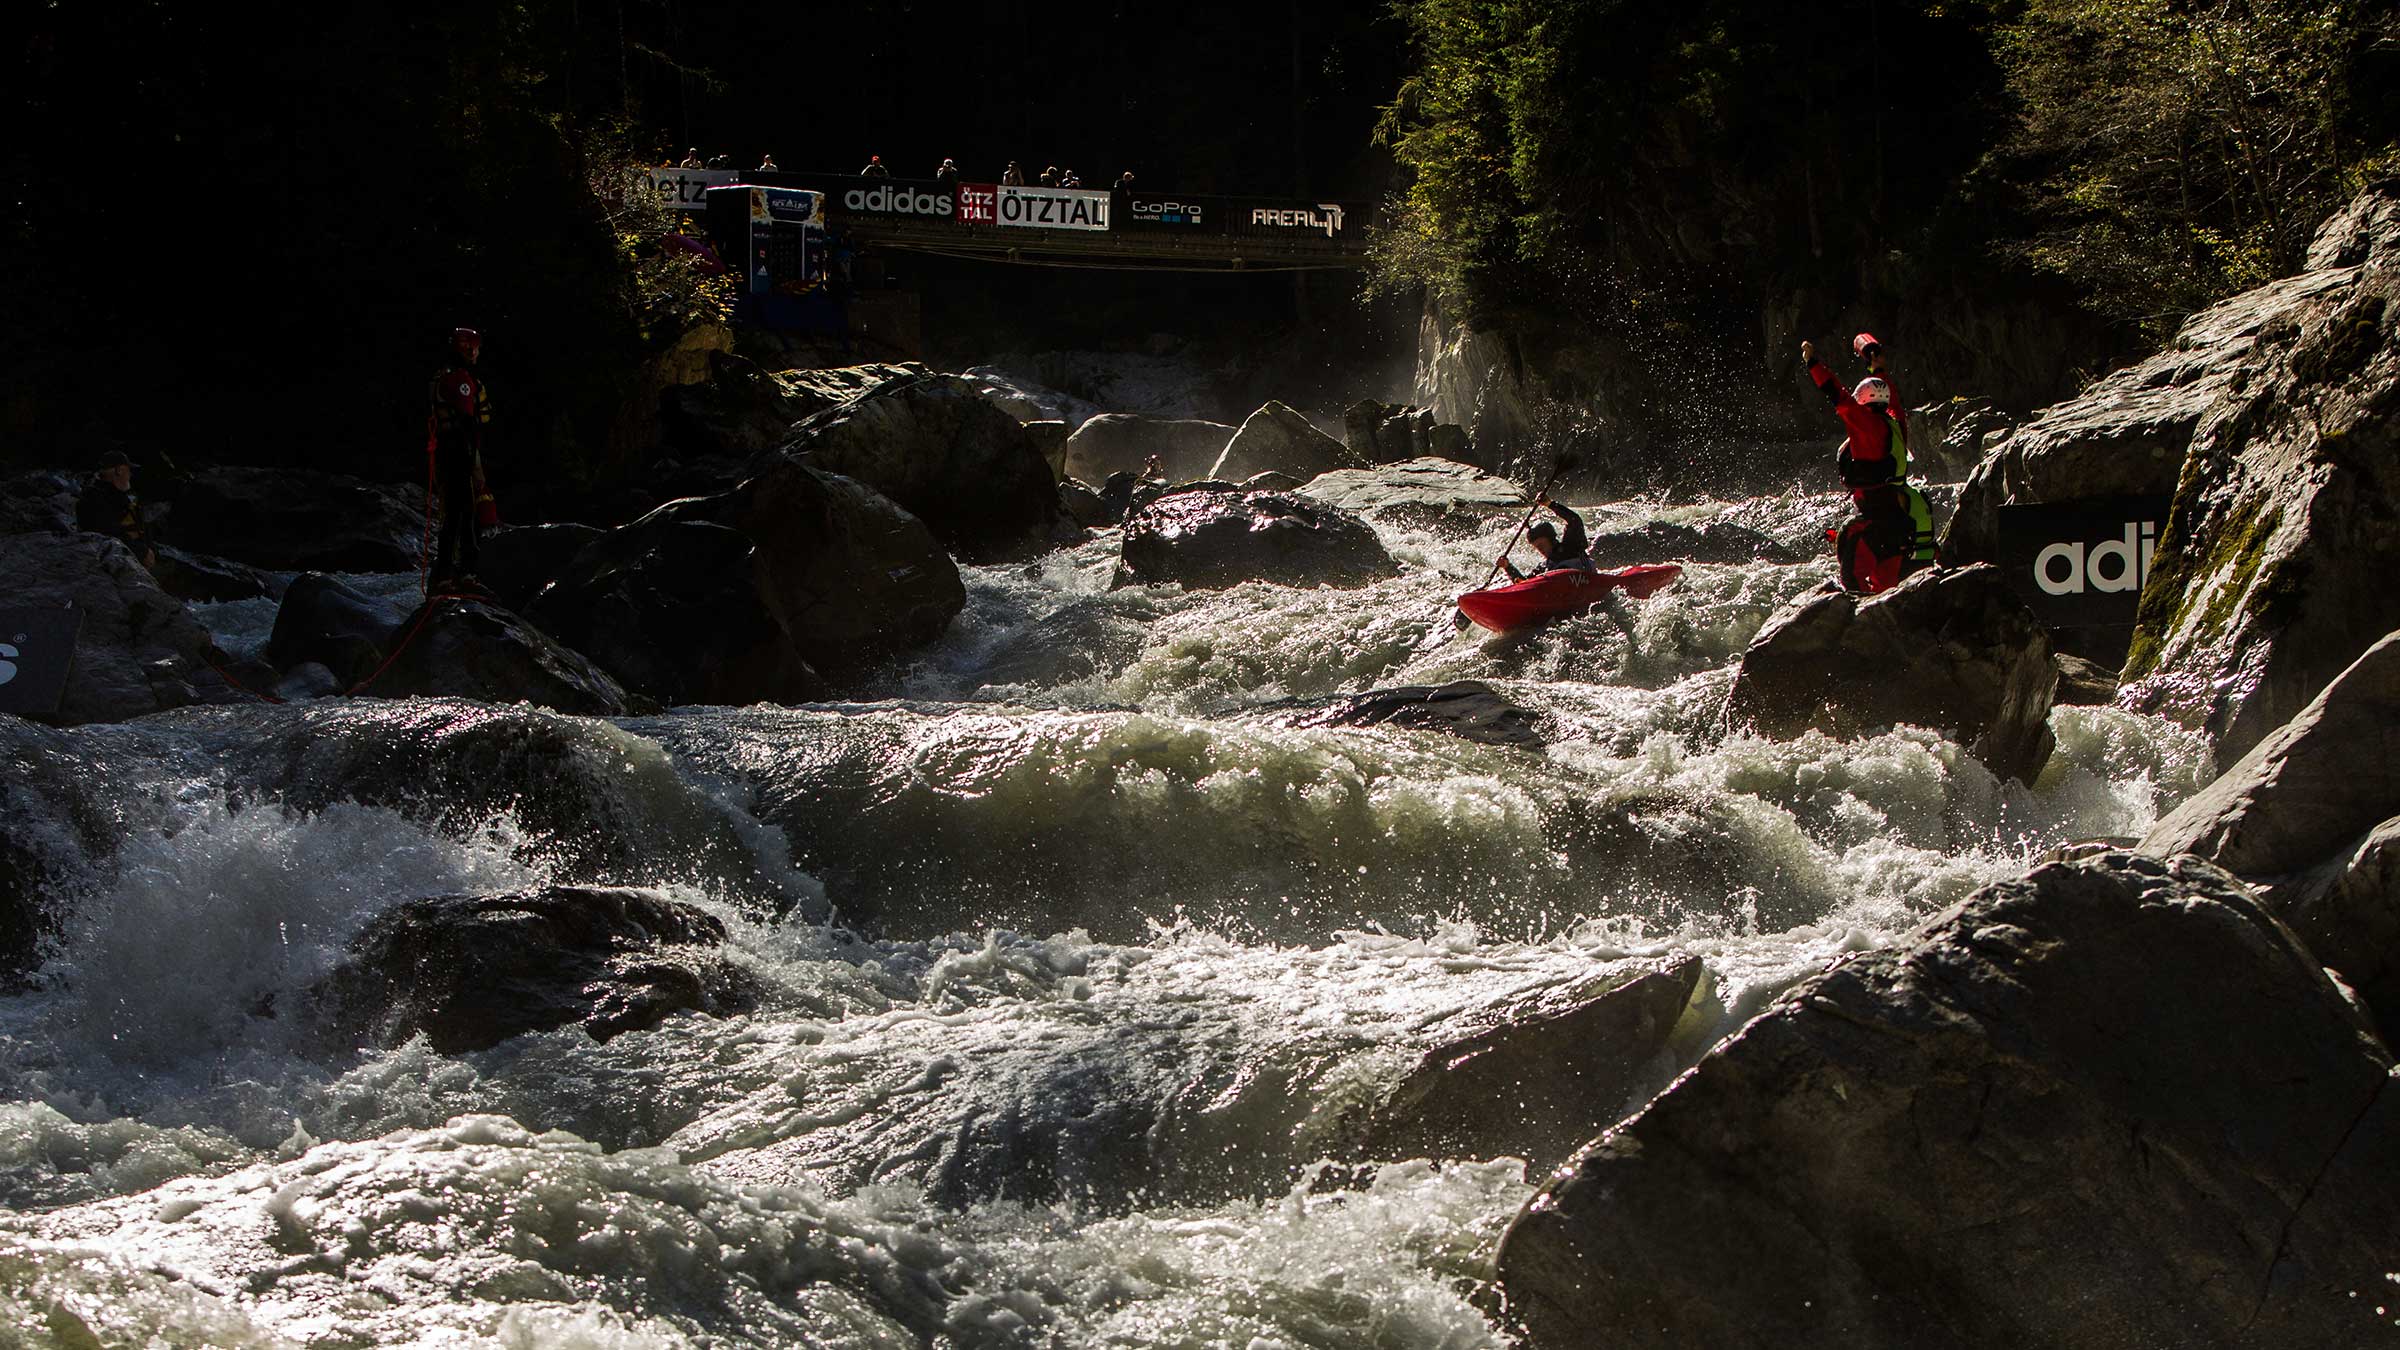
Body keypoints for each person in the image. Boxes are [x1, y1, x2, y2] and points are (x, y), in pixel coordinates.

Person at [427, 327, 493, 589]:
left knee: (453, 513)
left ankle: (446, 573)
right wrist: (472, 462)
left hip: (446, 451)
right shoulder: (460, 380)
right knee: (466, 513)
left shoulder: (442, 376)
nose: (476, 353)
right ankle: (465, 573)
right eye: (474, 348)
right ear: (466, 349)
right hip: (458, 452)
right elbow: (467, 420)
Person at [1800, 339, 1910, 488]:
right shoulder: (1895, 422)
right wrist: (1877, 370)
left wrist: (1812, 363)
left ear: (1862, 399)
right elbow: (1894, 401)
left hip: (1871, 500)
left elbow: (1834, 391)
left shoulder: (1861, 420)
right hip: (1898, 493)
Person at [1828, 480, 1938, 594]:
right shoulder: (1916, 498)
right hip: (1928, 587)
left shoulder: (1866, 529)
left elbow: (1852, 580)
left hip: (1893, 601)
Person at [75, 447, 154, 568]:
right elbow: (107, 534)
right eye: (129, 470)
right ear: (119, 470)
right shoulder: (94, 499)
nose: (130, 475)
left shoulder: (113, 495)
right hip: (120, 566)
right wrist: (142, 553)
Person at [1499, 493, 1595, 581]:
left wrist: (1550, 504)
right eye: (1536, 547)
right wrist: (1507, 567)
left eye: (1541, 544)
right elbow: (1525, 583)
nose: (1540, 550)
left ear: (1551, 539)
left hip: (1585, 580)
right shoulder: (1545, 567)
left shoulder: (1571, 546)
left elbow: (1575, 520)